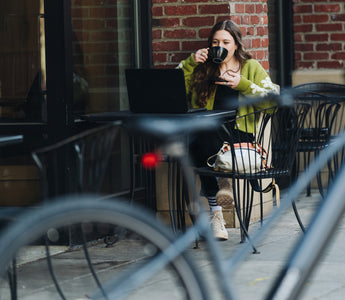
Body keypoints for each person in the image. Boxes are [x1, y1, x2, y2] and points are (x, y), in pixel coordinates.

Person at [177, 20, 279, 240]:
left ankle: (217, 206)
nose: (220, 46)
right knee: (199, 136)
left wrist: (242, 84)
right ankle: (218, 208)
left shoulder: (250, 67)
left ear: (236, 45)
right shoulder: (203, 68)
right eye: (215, 42)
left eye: (225, 41)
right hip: (208, 137)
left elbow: (273, 101)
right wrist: (190, 63)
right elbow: (172, 88)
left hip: (240, 139)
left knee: (199, 140)